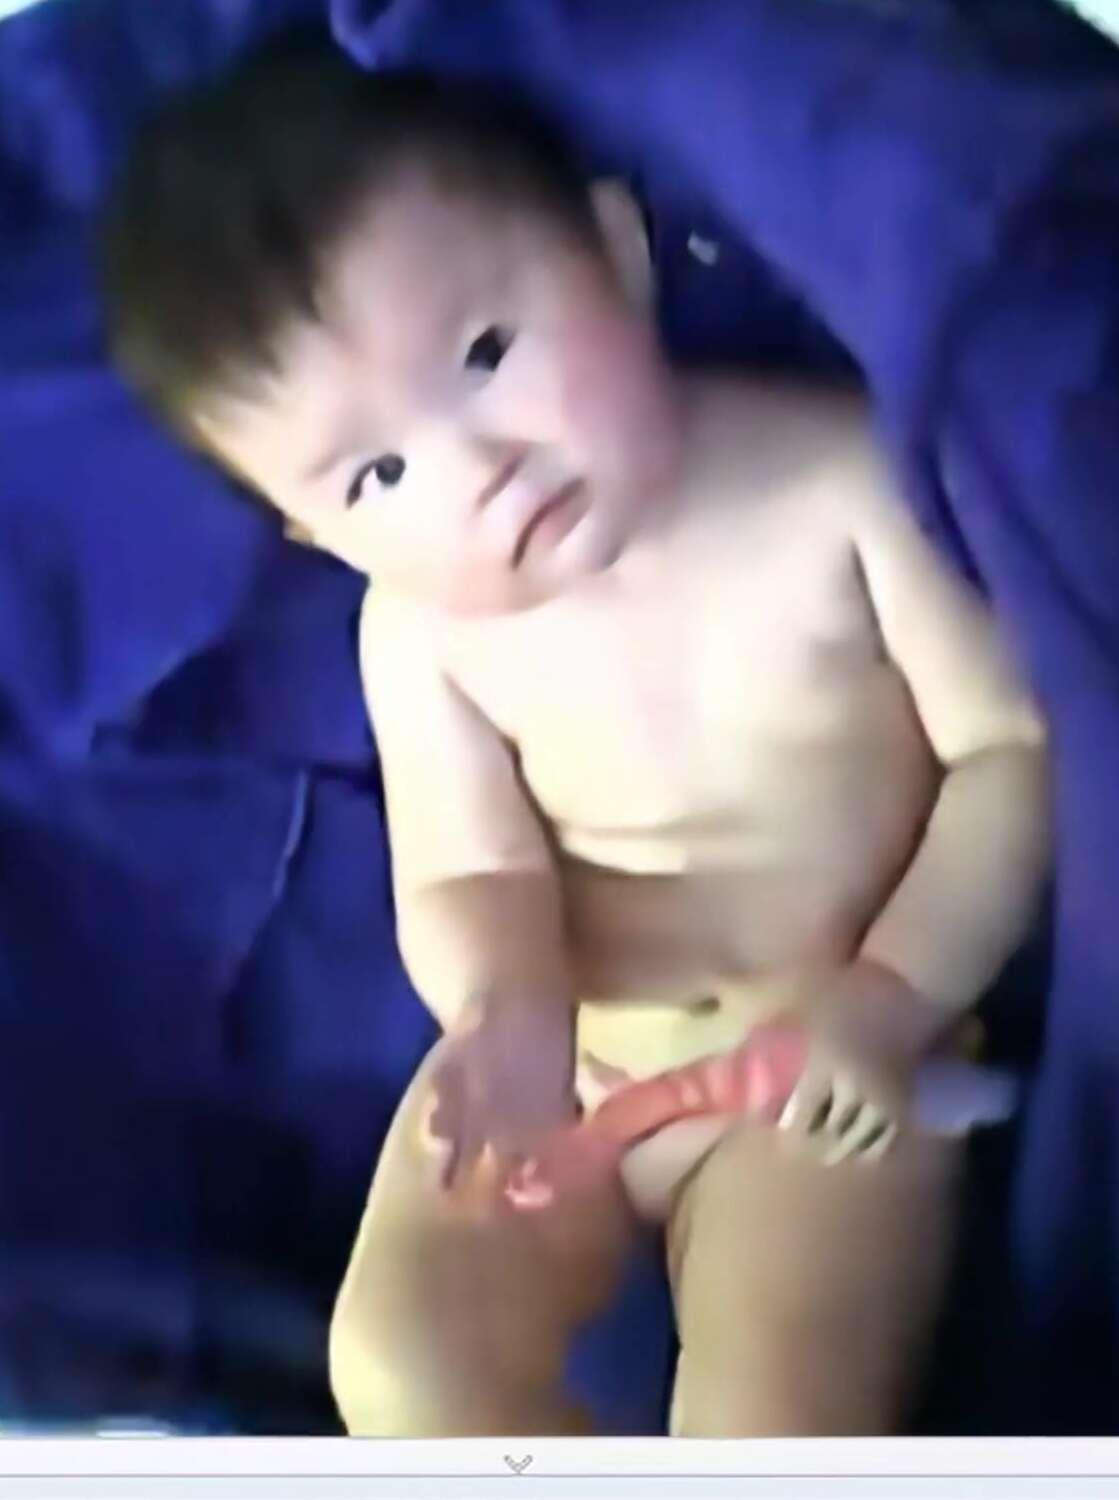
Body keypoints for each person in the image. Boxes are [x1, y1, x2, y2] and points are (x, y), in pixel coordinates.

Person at [100, 43, 1050, 1436]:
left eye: (488, 354)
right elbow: (470, 871)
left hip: (826, 1060)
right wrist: (504, 1020)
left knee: (774, 1425)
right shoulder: (421, 632)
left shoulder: (842, 489)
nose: (479, 472)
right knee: (401, 1367)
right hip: (568, 1056)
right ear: (312, 533)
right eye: (379, 473)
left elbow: (1007, 756)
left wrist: (895, 993)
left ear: (614, 250)